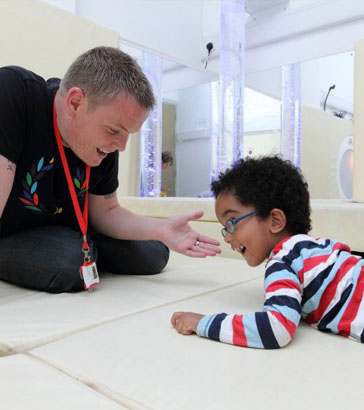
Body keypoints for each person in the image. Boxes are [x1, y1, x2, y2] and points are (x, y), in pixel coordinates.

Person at [0, 46, 220, 293]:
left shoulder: (106, 144)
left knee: (154, 253)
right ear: (75, 102)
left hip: (69, 226)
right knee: (70, 262)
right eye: (114, 131)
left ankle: (80, 250)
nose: (121, 147)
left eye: (128, 134)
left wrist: (161, 228)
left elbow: (105, 211)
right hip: (10, 232)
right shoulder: (15, 92)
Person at [171, 156, 364, 348]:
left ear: (275, 221)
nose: (227, 237)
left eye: (231, 223)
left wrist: (202, 323)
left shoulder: (283, 259)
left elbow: (275, 329)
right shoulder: (314, 249)